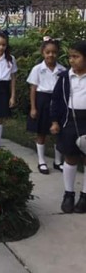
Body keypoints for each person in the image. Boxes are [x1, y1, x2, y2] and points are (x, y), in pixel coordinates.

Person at [50, 40, 86, 213]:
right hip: (69, 120)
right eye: (70, 56)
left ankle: (85, 196)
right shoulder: (65, 77)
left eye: (76, 57)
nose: (72, 60)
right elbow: (56, 100)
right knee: (70, 157)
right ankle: (68, 194)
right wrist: (55, 121)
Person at [26, 37, 66, 174]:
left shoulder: (62, 70)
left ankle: (58, 161)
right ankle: (41, 160)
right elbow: (33, 88)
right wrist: (33, 107)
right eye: (48, 52)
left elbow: (64, 90)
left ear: (58, 53)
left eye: (54, 52)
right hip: (42, 100)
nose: (51, 55)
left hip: (57, 101)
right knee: (42, 131)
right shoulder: (38, 69)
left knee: (58, 132)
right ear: (43, 52)